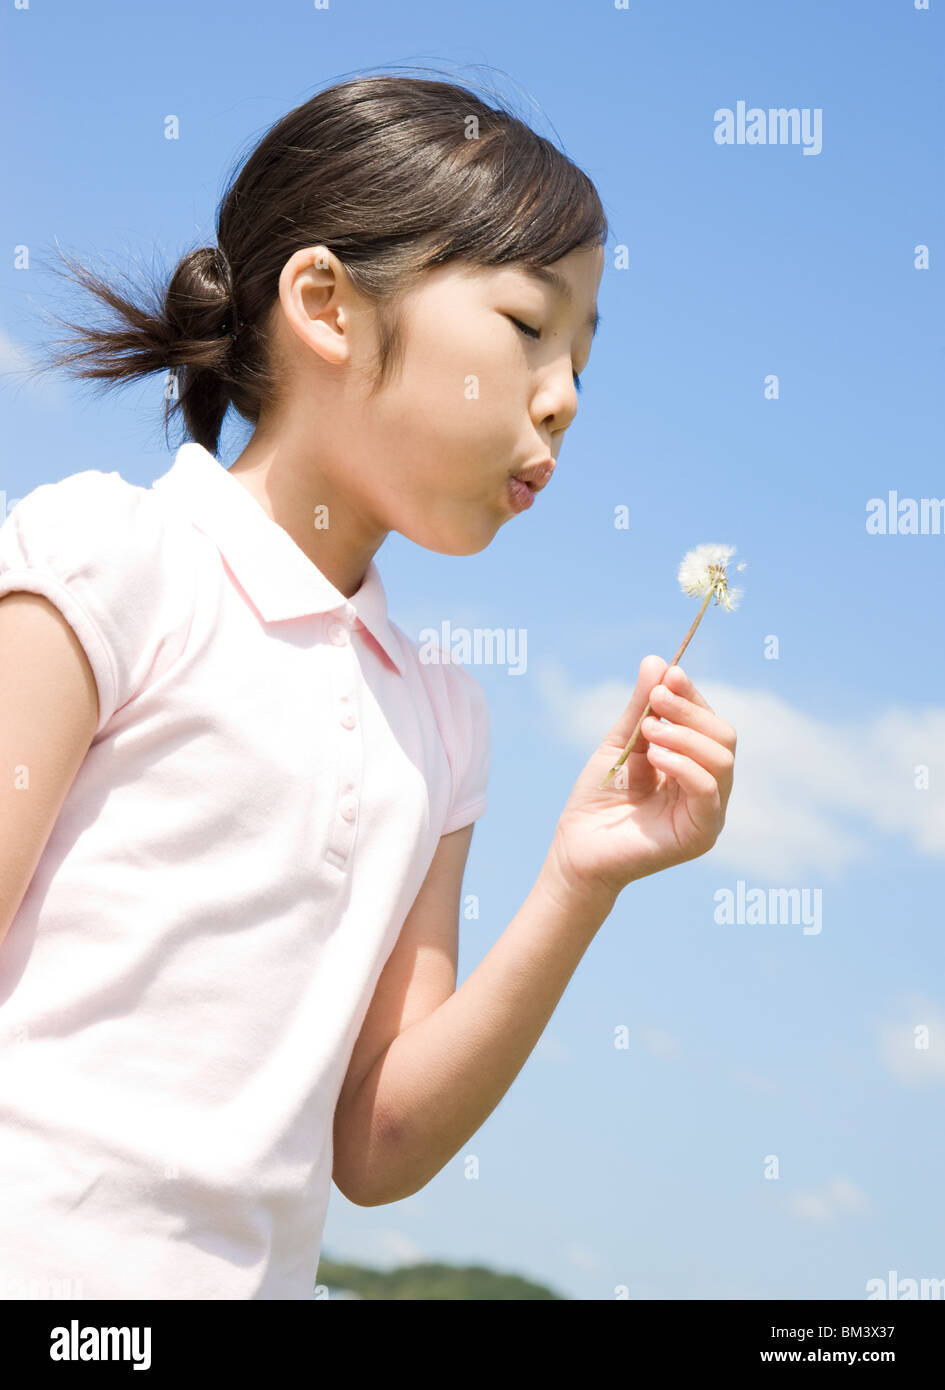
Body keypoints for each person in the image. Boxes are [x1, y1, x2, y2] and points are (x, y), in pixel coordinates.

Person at [0, 71, 737, 1300]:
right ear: (329, 306)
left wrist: (577, 879)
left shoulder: (444, 715)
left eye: (583, 359)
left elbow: (376, 1144)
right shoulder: (113, 562)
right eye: (527, 326)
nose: (562, 395)